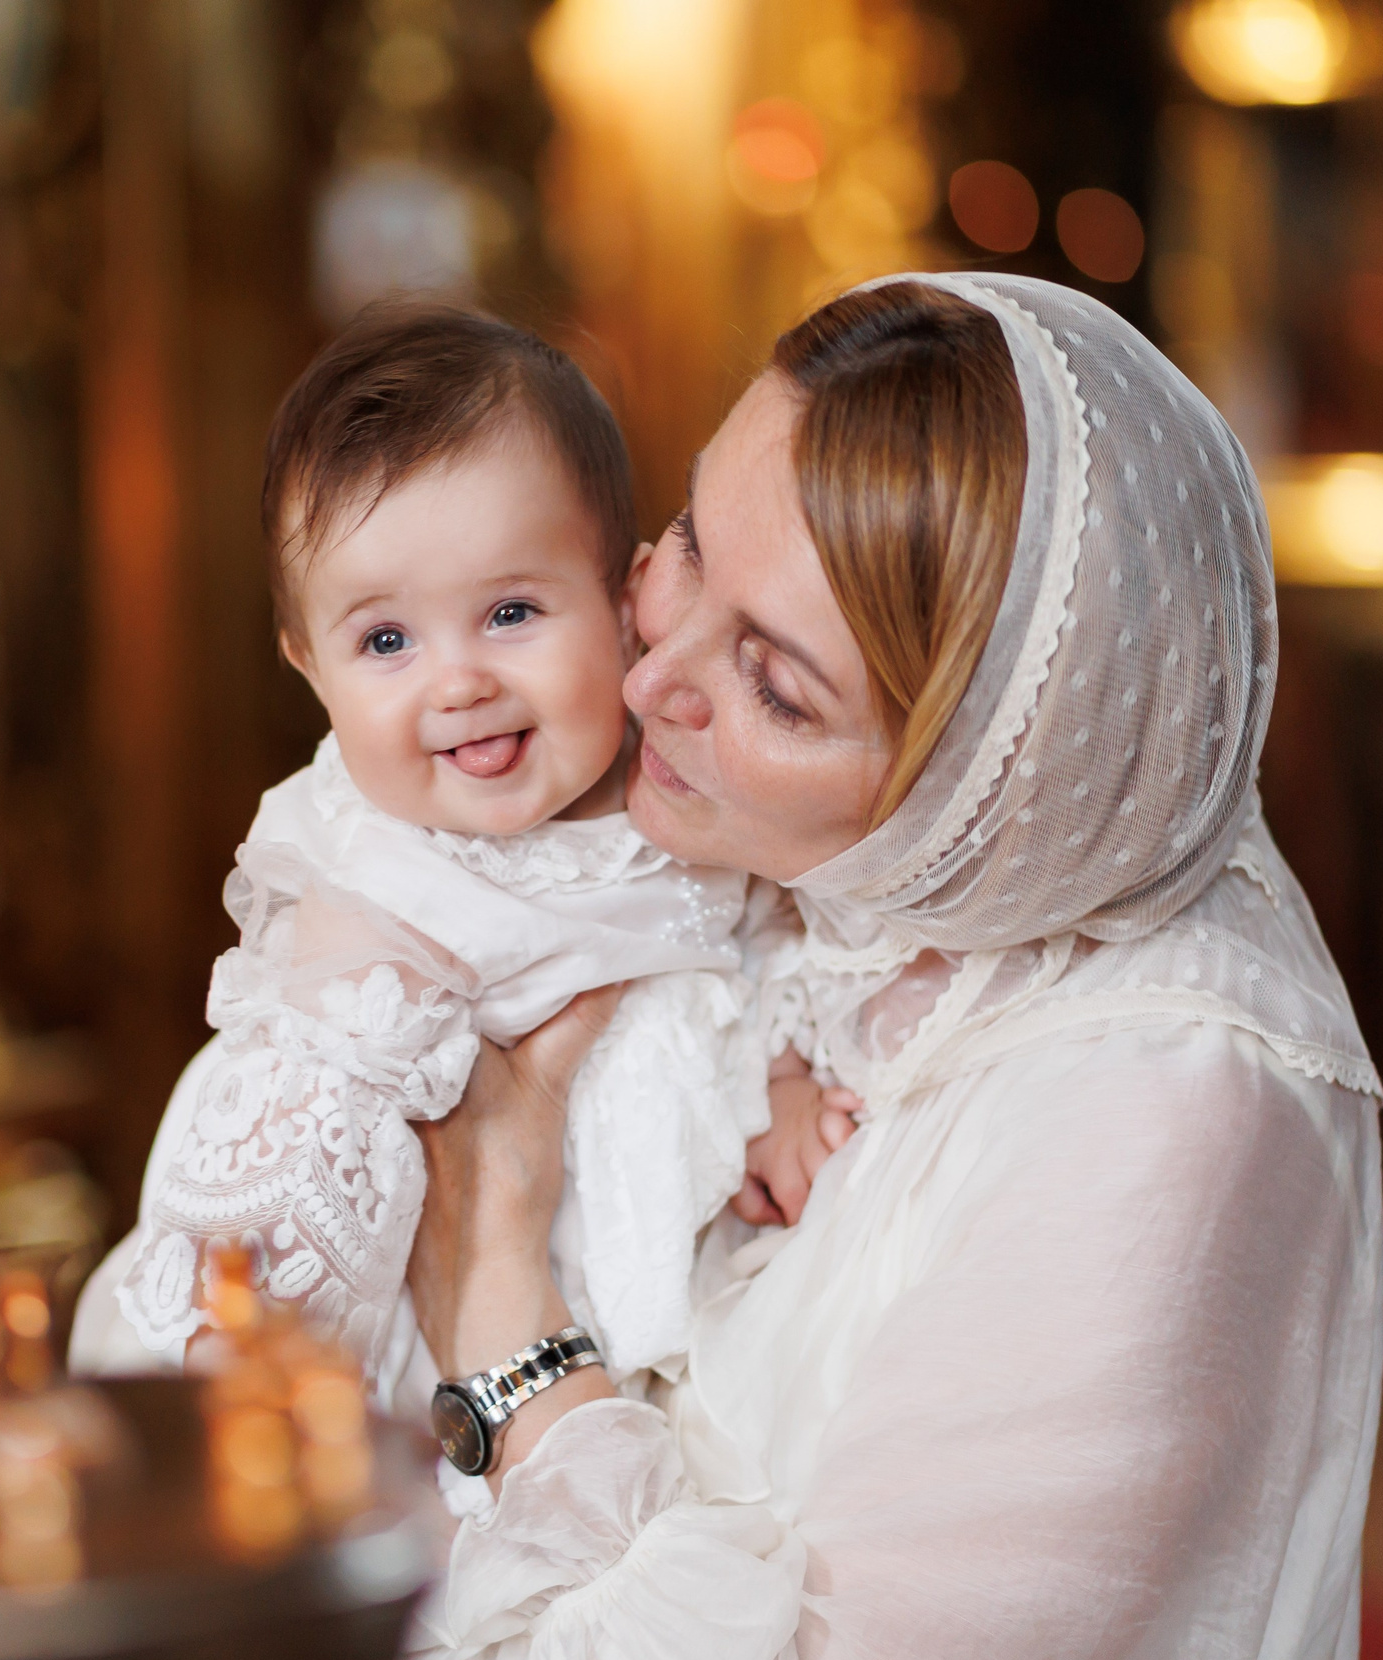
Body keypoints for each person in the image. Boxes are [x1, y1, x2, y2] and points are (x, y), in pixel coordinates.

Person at [394, 274, 1383, 1660]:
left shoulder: (1168, 1113)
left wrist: (494, 1297)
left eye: (778, 686)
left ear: (993, 778)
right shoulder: (786, 874)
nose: (649, 666)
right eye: (683, 540)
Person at [67, 305, 854, 1442]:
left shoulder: (681, 793)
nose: (457, 682)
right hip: (421, 1383)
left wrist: (776, 1092)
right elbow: (296, 1190)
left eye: (510, 612)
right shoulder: (377, 890)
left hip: (647, 1363)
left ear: (625, 602)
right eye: (386, 642)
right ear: (310, 667)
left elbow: (754, 947)